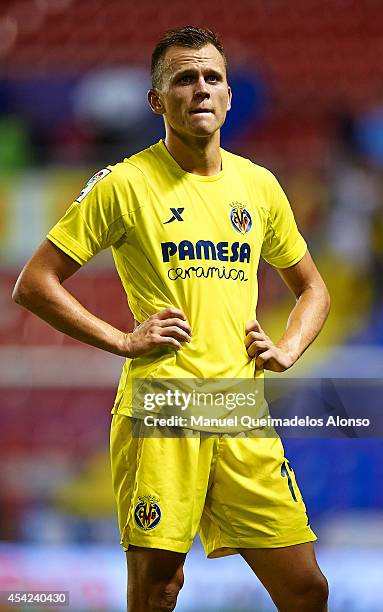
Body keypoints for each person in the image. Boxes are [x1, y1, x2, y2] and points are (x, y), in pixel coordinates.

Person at [13, 26, 330, 612]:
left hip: (240, 411)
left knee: (306, 587)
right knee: (158, 589)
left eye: (212, 77)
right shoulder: (124, 185)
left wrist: (289, 347)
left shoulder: (260, 187)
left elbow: (312, 288)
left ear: (230, 96)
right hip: (163, 410)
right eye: (184, 79)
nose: (201, 89)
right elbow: (33, 283)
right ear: (158, 100)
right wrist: (121, 339)